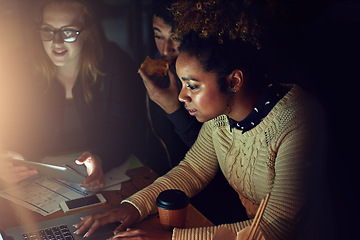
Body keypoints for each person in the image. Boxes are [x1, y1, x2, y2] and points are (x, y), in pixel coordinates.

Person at [74, 1, 325, 239]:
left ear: (234, 81)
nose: (182, 95)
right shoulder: (220, 118)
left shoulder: (297, 120)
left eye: (192, 86)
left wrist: (170, 238)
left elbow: (277, 228)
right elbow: (192, 170)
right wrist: (133, 207)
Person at [0, 0, 145, 192]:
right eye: (48, 31)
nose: (57, 42)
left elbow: (123, 131)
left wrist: (101, 158)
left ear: (86, 33)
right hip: (36, 181)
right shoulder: (18, 66)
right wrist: (7, 160)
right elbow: (9, 128)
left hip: (101, 177)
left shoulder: (114, 63)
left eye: (68, 31)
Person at [139, 0, 202, 175]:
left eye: (177, 38)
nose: (166, 50)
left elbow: (211, 155)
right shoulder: (157, 67)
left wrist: (174, 110)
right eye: (159, 36)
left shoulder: (206, 77)